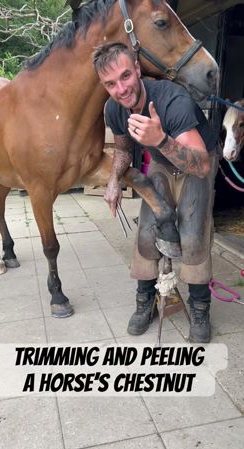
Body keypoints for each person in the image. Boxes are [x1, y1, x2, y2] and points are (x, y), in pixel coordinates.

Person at [92, 42, 218, 343]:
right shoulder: (114, 109)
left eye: (125, 76)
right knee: (147, 230)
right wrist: (113, 181)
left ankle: (200, 308)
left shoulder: (173, 100)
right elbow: (123, 150)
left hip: (197, 161)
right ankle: (144, 301)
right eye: (110, 84)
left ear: (137, 69)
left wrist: (160, 139)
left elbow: (199, 165)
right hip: (163, 163)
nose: (121, 89)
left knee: (192, 232)